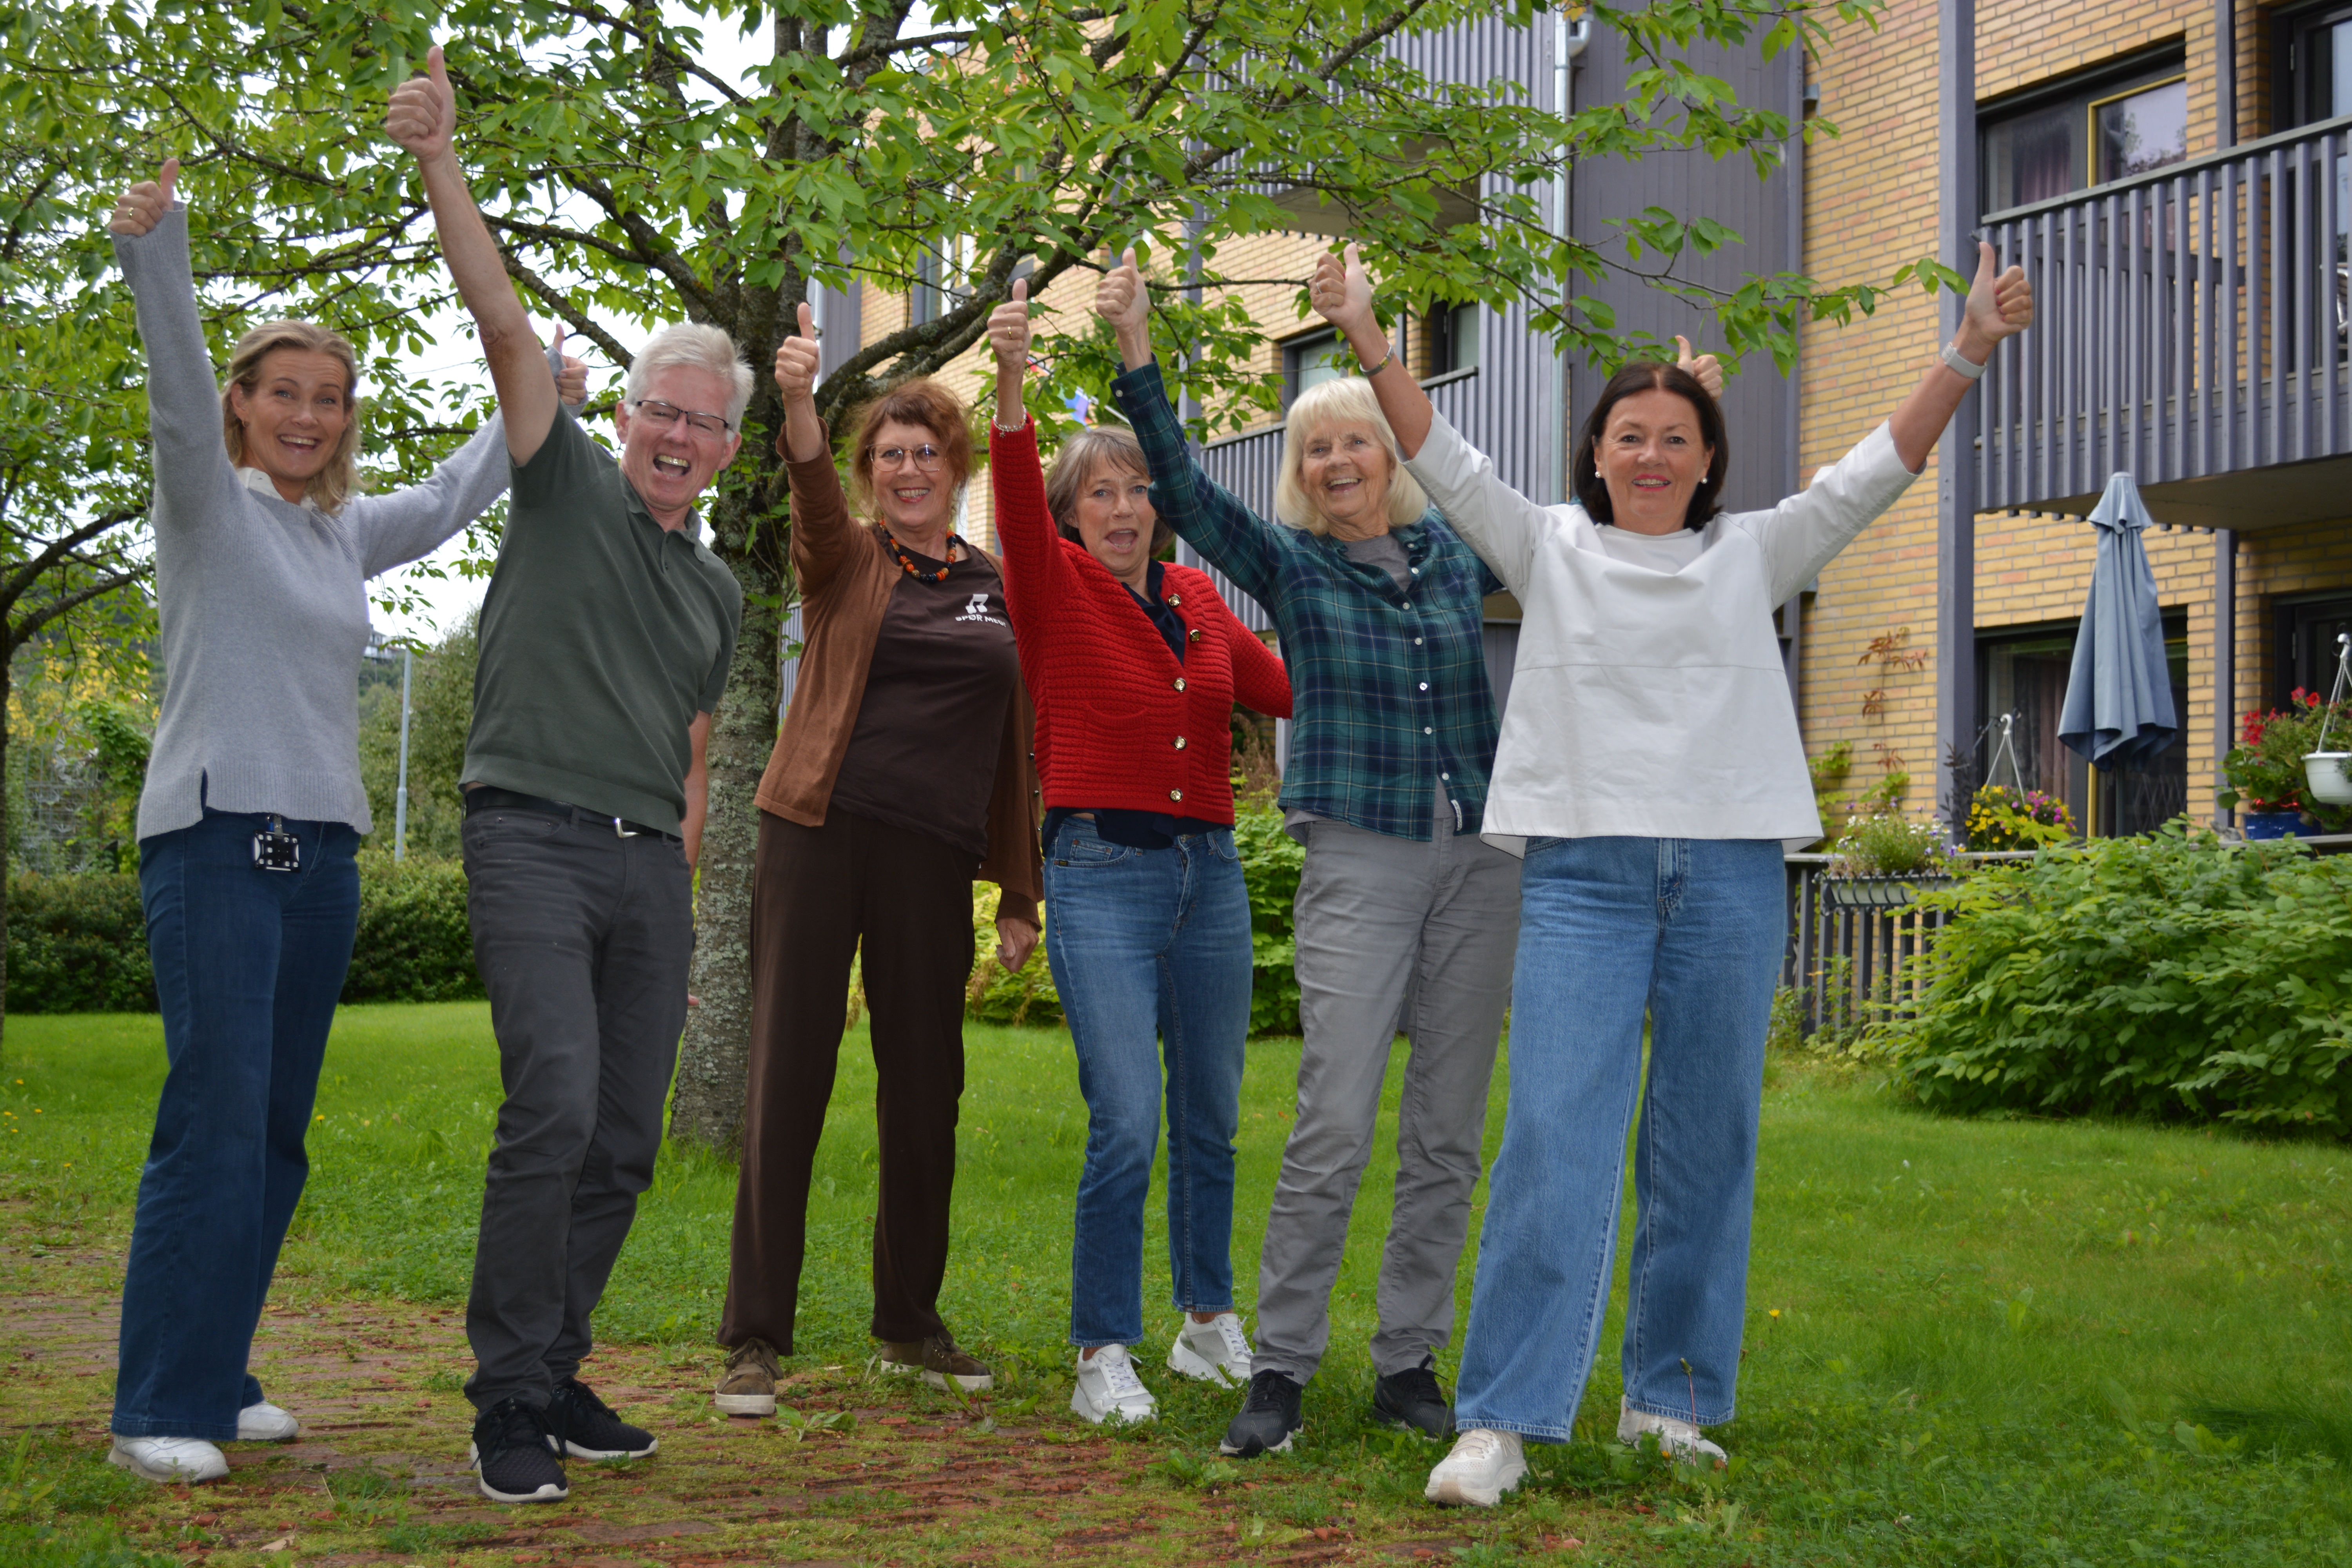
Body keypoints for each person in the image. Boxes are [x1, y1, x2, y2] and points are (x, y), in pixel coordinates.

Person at [1304, 240, 2034, 1505]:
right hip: (1585, 874)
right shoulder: (1545, 548)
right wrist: (1367, 332)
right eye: (1629, 435)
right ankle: (1502, 1419)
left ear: (1707, 465)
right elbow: (1438, 452)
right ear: (1596, 455)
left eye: (1676, 438)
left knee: (1708, 1140)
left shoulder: (1758, 551)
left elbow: (1881, 469)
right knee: (1550, 1137)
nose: (1651, 455)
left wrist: (1964, 346)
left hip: (1731, 876)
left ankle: (1672, 1399)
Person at [102, 158, 585, 1485]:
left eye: (328, 399)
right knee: (213, 1115)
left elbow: (449, 500)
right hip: (214, 841)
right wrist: (161, 250)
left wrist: (542, 387)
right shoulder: (207, 506)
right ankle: (159, 1397)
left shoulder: (335, 536)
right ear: (246, 411)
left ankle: (220, 1368)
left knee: (273, 1128)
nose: (305, 416)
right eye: (283, 395)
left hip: (320, 856)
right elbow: (175, 392)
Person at [387, 49, 746, 1505]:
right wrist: (441, 164)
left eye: (701, 424)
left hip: (644, 861)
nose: (674, 435)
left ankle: (555, 1365)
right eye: (659, 409)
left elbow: (696, 743)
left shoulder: (720, 592)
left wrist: (683, 862)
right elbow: (497, 309)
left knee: (624, 1133)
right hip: (528, 836)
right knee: (552, 1101)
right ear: (629, 417)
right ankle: (502, 1401)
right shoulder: (557, 473)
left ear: (726, 450)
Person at [1096, 249, 1512, 1457]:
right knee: (1333, 1116)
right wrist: (1135, 343)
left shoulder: (1456, 554)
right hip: (1362, 862)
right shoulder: (1291, 563)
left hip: (1484, 860)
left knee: (1445, 1128)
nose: (1339, 464)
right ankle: (1279, 1367)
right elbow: (1177, 477)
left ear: (1395, 456)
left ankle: (1408, 1361)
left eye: (1360, 444)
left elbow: (1573, 549)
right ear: (1302, 474)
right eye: (1317, 450)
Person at [711, 301, 1043, 1417]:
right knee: (789, 1078)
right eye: (889, 455)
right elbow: (807, 496)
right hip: (817, 834)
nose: (908, 468)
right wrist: (801, 401)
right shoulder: (847, 562)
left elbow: (1013, 752)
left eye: (926, 452)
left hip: (933, 860)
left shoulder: (996, 587)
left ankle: (909, 1324)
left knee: (927, 1091)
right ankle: (755, 1337)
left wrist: (1019, 892)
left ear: (954, 467)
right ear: (871, 474)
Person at [982, 283, 1294, 1422]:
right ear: (1071, 517)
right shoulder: (1051, 586)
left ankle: (1207, 1321)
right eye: (1098, 494)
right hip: (1103, 873)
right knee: (1128, 1116)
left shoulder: (1199, 597)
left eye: (1137, 489)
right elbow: (1014, 504)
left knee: (1210, 1108)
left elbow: (1290, 687)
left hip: (1207, 876)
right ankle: (1100, 1348)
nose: (1123, 508)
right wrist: (1013, 390)